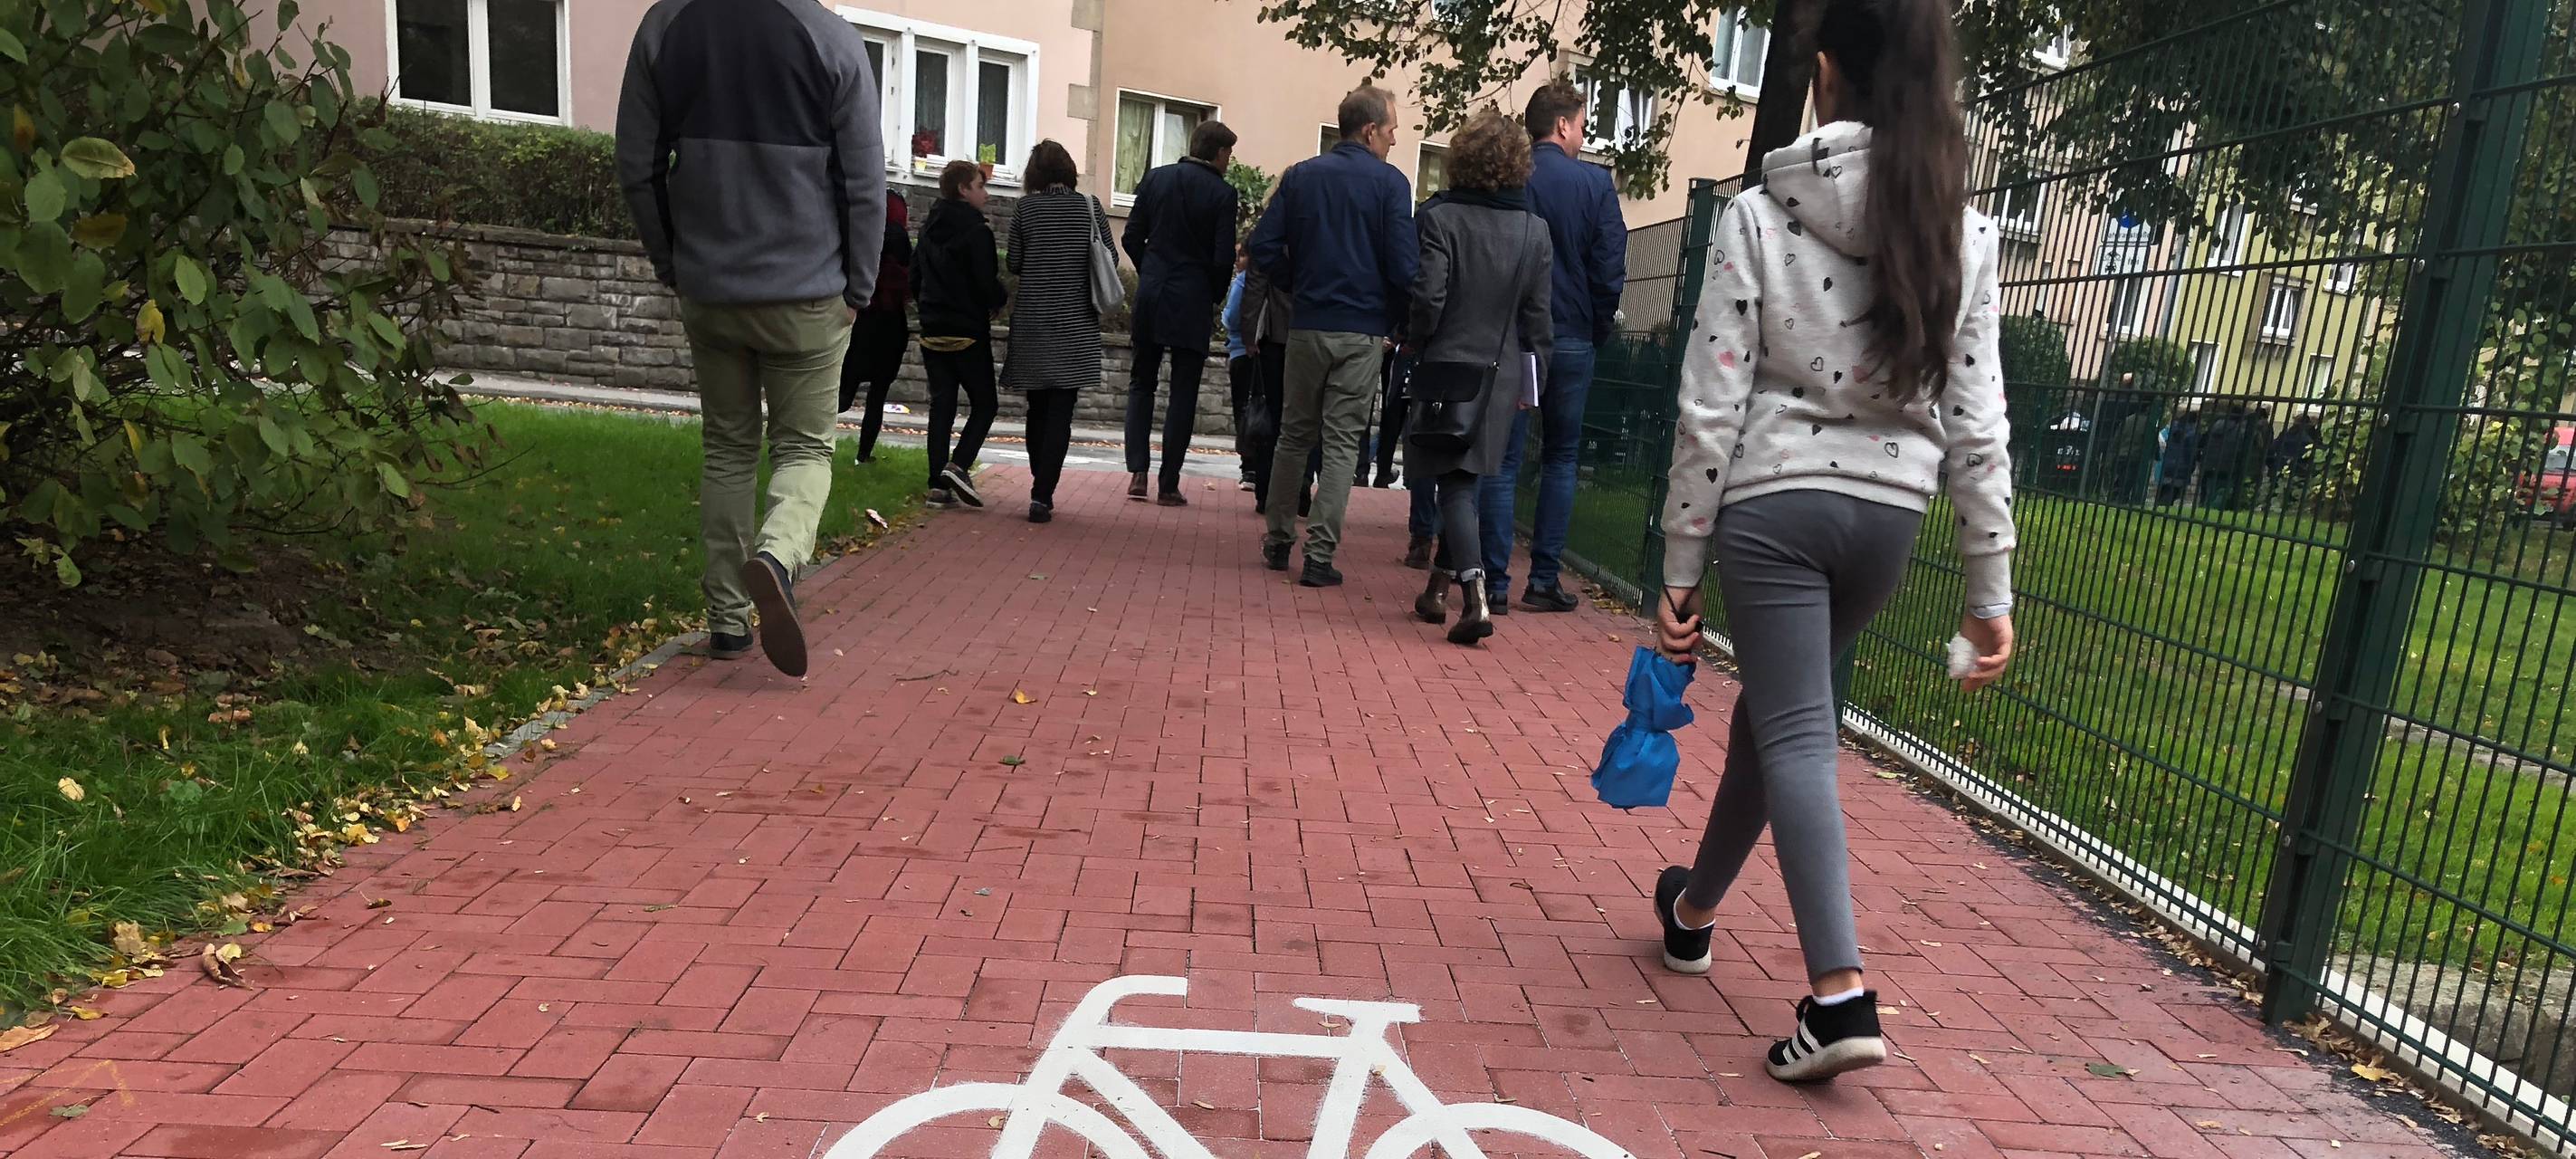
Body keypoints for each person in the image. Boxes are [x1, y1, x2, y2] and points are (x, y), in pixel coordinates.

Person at [1648, 0, 2017, 1083]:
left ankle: (1837, 994)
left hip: (1773, 508)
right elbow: (1979, 421)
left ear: (1821, 73)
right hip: (1887, 522)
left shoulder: (1759, 214)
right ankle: (1692, 909)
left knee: (1797, 735)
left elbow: (1709, 406)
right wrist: (1987, 584)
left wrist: (1679, 566)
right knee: (1772, 722)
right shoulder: (1959, 230)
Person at [614, 0, 883, 679]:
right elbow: (864, 183)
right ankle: (779, 554)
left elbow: (637, 166)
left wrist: (672, 262)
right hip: (808, 291)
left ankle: (728, 621)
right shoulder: (830, 38)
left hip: (712, 287)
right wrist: (861, 286)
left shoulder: (665, 26)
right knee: (804, 447)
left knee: (729, 447)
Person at [1246, 82, 1419, 587]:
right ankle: (1319, 556)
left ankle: (1278, 540)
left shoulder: (1301, 177)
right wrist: (1394, 317)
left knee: (1293, 435)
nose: (1392, 141)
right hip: (1362, 331)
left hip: (1308, 325)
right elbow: (1404, 267)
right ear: (1370, 130)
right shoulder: (1390, 185)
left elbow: (1262, 245)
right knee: (1344, 443)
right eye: (1390, 132)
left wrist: (1295, 284)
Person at [1474, 81, 1628, 612]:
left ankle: (1493, 583)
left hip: (1512, 334)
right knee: (1562, 456)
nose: (1584, 136)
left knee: (1503, 457)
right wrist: (1597, 324)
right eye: (1583, 124)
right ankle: (1542, 579)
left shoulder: (1512, 177)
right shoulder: (1594, 184)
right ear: (1563, 125)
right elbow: (1609, 267)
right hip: (1572, 333)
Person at [1402, 108, 1553, 647]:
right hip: (1503, 373)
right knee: (1466, 481)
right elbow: (1539, 322)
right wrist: (1532, 386)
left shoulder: (1442, 221)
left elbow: (1428, 297)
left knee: (1454, 487)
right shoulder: (1536, 232)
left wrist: (1415, 338)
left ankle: (1475, 598)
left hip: (1447, 370)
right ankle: (1436, 592)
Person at [1122, 121, 1244, 505]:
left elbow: (1130, 237)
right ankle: (1169, 482)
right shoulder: (1222, 194)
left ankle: (1138, 471)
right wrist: (1211, 293)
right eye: (1228, 154)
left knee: (1142, 381)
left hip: (1152, 292)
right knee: (1184, 392)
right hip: (1191, 297)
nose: (1229, 162)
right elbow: (1223, 257)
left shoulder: (1155, 179)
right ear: (1219, 153)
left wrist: (1150, 272)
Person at [1002, 140, 1112, 524]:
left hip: (1034, 321)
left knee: (1037, 407)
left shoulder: (1025, 208)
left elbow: (1014, 262)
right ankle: (1043, 493)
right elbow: (1109, 258)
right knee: (1061, 413)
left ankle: (1038, 481)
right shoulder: (1090, 207)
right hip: (1076, 323)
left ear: (1035, 174)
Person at [913, 159, 1007, 510]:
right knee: (985, 404)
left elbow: (915, 277)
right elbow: (985, 282)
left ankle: (937, 484)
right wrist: (999, 300)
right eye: (980, 186)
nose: (985, 193)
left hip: (932, 329)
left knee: (942, 407)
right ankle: (959, 464)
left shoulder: (927, 229)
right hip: (967, 331)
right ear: (963, 190)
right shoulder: (977, 231)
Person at [844, 195, 912, 464]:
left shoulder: (864, 236)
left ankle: (809, 440)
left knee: (845, 387)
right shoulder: (901, 242)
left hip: (864, 318)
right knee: (879, 392)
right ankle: (864, 453)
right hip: (890, 322)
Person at [1220, 248, 1259, 492]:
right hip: (1265, 354)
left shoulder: (1243, 282)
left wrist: (1224, 317)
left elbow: (1232, 317)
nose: (1236, 261)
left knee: (1244, 411)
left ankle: (1249, 468)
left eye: (1241, 256)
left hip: (1240, 351)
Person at [2158, 408, 2201, 505]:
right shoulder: (2193, 433)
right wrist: (2192, 466)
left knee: (2166, 488)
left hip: (2168, 464)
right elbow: (2191, 452)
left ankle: (2160, 506)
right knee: (2174, 491)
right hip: (2182, 466)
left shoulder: (2173, 429)